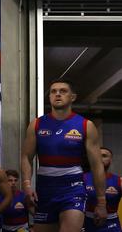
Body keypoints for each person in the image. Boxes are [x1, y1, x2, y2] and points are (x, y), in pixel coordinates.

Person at [21, 79, 107, 232]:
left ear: (72, 97)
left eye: (63, 91)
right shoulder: (36, 124)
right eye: (53, 91)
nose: (57, 94)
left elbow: (97, 165)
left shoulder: (86, 125)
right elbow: (26, 157)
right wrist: (27, 186)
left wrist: (101, 202)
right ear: (49, 97)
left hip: (73, 189)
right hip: (45, 190)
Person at [83, 147, 121, 232]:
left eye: (104, 156)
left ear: (110, 160)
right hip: (85, 223)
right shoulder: (81, 178)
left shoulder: (119, 181)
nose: (100, 158)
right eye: (97, 156)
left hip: (111, 225)